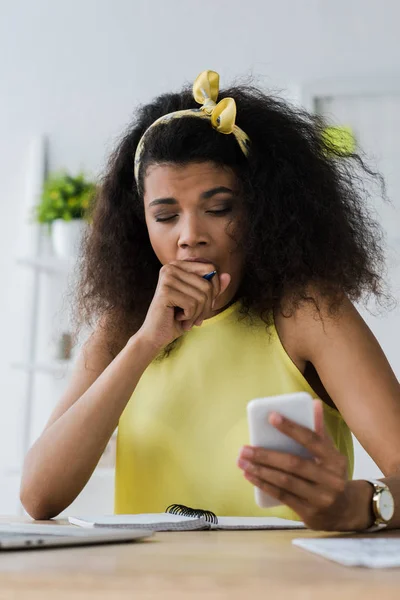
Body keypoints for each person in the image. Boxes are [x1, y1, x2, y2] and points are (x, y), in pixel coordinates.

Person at [21, 70, 400, 532]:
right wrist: (145, 342)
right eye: (165, 216)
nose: (190, 237)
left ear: (261, 209)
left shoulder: (307, 311)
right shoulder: (123, 328)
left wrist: (356, 504)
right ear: (140, 224)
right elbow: (39, 496)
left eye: (219, 209)